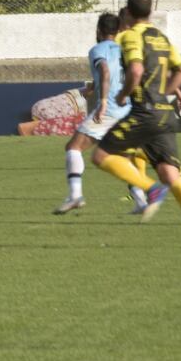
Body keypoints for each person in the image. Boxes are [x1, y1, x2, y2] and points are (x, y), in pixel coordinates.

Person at [90, 0, 181, 249]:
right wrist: (164, 94)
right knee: (171, 175)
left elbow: (135, 69)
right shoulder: (162, 38)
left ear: (128, 11)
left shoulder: (129, 36)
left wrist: (124, 95)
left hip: (145, 111)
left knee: (100, 156)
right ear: (150, 12)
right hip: (164, 113)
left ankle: (150, 189)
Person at [53, 13, 130, 214]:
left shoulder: (97, 49)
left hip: (110, 108)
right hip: (127, 107)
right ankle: (140, 198)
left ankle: (75, 195)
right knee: (122, 156)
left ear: (98, 30)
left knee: (73, 147)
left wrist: (102, 101)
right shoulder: (124, 50)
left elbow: (105, 71)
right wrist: (93, 87)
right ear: (118, 30)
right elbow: (118, 73)